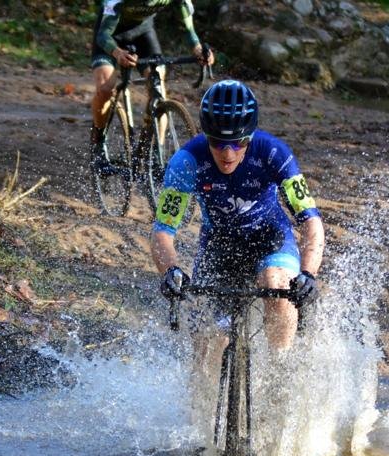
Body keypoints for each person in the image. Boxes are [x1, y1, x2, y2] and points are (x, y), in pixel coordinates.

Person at [150, 79, 324, 352]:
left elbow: (311, 222)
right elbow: (163, 231)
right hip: (219, 245)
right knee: (205, 340)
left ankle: (281, 372)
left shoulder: (274, 153)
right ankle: (205, 395)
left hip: (270, 236)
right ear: (206, 135)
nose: (228, 153)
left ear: (250, 136)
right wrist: (170, 271)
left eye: (238, 142)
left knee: (276, 285)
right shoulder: (186, 162)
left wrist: (308, 274)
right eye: (218, 143)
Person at [89, 0, 213, 171]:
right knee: (105, 88)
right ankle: (98, 141)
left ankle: (154, 153)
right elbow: (103, 36)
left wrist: (198, 50)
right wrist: (117, 53)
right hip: (110, 34)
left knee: (158, 90)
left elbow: (188, 28)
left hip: (142, 33)